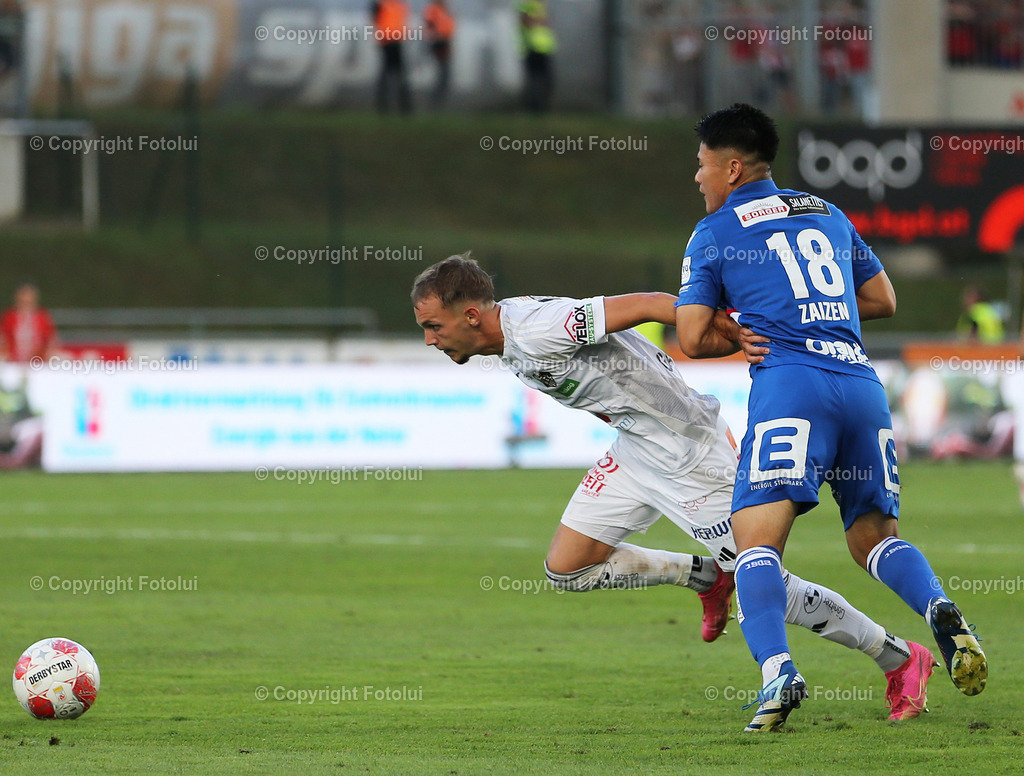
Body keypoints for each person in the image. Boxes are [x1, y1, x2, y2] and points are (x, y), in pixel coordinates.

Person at [412, 253, 939, 723]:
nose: (430, 339)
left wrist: (732, 334)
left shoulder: (539, 327)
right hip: (638, 450)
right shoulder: (506, 337)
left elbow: (649, 302)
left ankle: (899, 657)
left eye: (434, 327)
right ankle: (705, 577)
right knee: (567, 569)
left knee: (768, 583)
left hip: (692, 455)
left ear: (471, 316)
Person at [674, 103, 986, 732]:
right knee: (873, 537)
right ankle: (941, 610)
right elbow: (882, 298)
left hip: (792, 388)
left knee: (756, 544)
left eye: (703, 166)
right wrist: (819, 314)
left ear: (732, 168)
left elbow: (690, 335)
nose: (698, 178)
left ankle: (777, 673)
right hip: (860, 385)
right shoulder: (827, 212)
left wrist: (748, 334)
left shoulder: (714, 231)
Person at [371, 0, 413, 114]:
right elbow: (375, 18)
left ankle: (403, 107)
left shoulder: (398, 4)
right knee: (389, 75)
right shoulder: (382, 4)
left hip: (397, 42)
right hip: (387, 42)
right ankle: (385, 106)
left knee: (398, 75)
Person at [0, 282, 59, 363]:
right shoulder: (9, 317)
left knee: (58, 357)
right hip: (12, 356)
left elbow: (51, 340)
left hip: (39, 356)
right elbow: (3, 338)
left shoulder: (42, 317)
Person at [517, 0, 556, 113]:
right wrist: (539, 21)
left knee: (546, 80)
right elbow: (525, 20)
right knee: (535, 79)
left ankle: (542, 106)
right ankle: (534, 107)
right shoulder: (528, 4)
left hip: (544, 48)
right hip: (532, 47)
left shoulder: (540, 5)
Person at [423, 0, 455, 109]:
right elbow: (429, 25)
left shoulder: (445, 9)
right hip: (438, 42)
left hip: (445, 41)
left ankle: (440, 100)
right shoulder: (433, 9)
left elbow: (449, 25)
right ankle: (437, 101)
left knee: (445, 73)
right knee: (443, 73)